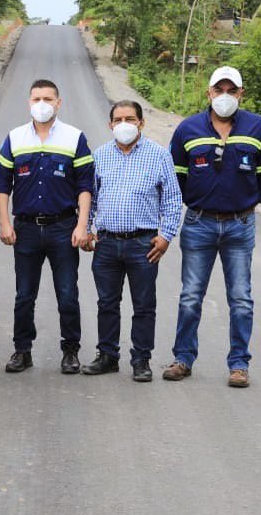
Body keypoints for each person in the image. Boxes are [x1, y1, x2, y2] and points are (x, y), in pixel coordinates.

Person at [163, 66, 261, 388]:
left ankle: (239, 365)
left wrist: (251, 201)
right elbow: (176, 177)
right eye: (219, 90)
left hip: (240, 226)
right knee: (190, 297)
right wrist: (195, 201)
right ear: (209, 92)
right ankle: (182, 359)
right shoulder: (188, 129)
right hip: (199, 223)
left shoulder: (258, 127)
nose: (224, 96)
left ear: (241, 93)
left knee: (241, 298)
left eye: (232, 90)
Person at [0, 79, 94, 374]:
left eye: (48, 99)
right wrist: (3, 223)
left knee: (67, 293)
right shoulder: (14, 138)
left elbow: (85, 186)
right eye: (36, 98)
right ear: (29, 102)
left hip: (63, 228)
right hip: (25, 229)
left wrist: (82, 224)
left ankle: (71, 350)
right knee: (24, 294)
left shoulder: (75, 138)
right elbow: (2, 186)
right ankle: (22, 350)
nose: (42, 104)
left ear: (58, 103)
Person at [81, 100, 182, 378]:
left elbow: (172, 199)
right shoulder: (100, 156)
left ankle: (141, 360)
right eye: (118, 119)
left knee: (144, 304)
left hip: (143, 243)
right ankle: (107, 355)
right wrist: (88, 229)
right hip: (106, 242)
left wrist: (166, 236)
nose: (124, 124)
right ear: (110, 124)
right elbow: (89, 196)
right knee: (107, 303)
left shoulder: (159, 155)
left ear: (141, 123)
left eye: (130, 119)